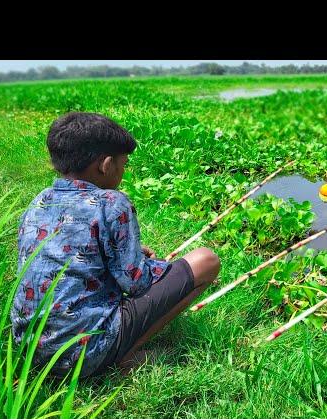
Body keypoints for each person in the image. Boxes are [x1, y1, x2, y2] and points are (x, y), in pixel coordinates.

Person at [11, 112, 220, 378]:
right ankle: (122, 354)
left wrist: (122, 255)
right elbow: (136, 283)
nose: (123, 171)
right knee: (205, 261)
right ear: (106, 164)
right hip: (82, 355)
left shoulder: (40, 200)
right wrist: (148, 264)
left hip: (29, 349)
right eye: (123, 164)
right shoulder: (111, 202)